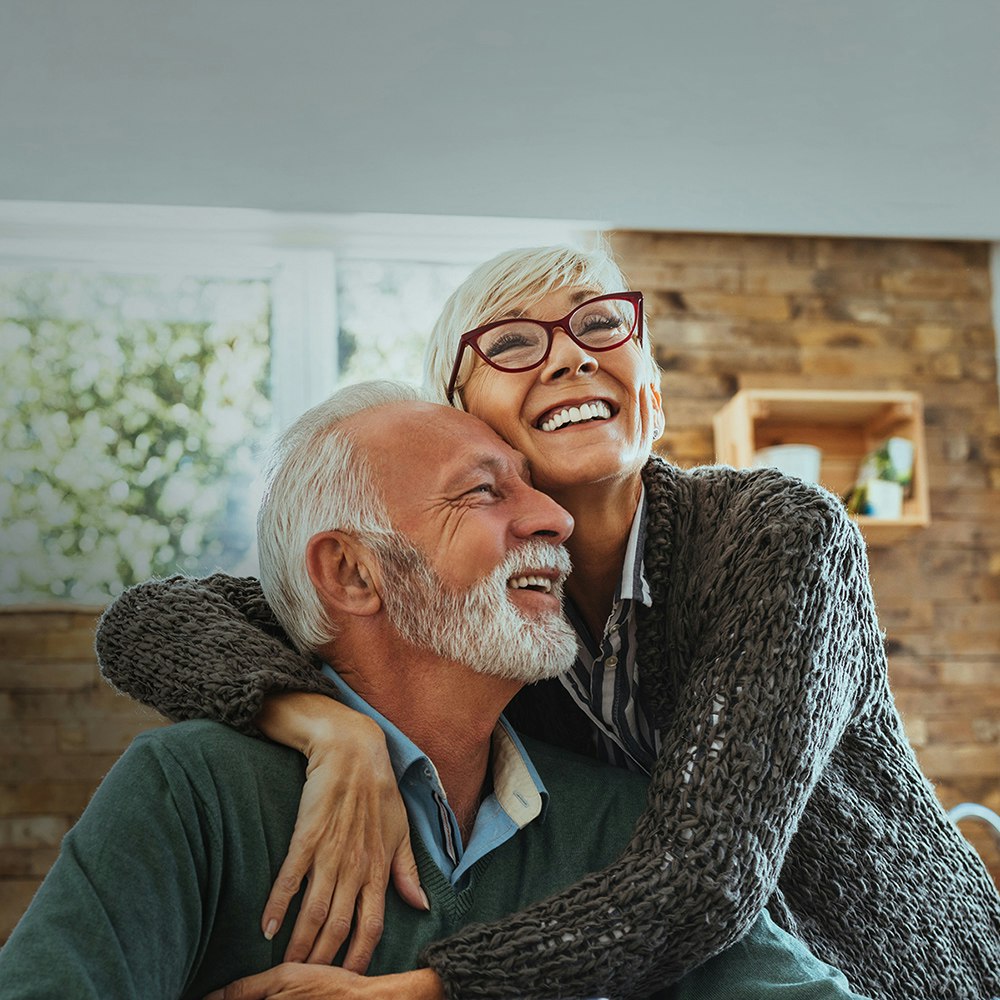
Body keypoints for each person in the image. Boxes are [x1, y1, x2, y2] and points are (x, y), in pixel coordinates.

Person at [95, 247, 1000, 1000]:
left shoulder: (780, 535)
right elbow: (152, 619)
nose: (571, 358)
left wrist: (424, 991)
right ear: (458, 413)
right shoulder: (481, 603)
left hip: (902, 973)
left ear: (650, 382)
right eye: (516, 343)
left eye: (602, 325)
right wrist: (329, 729)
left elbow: (708, 875)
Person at [0, 381, 872, 1000]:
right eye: (484, 493)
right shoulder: (191, 794)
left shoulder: (620, 824)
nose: (554, 518)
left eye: (531, 487)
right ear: (351, 573)